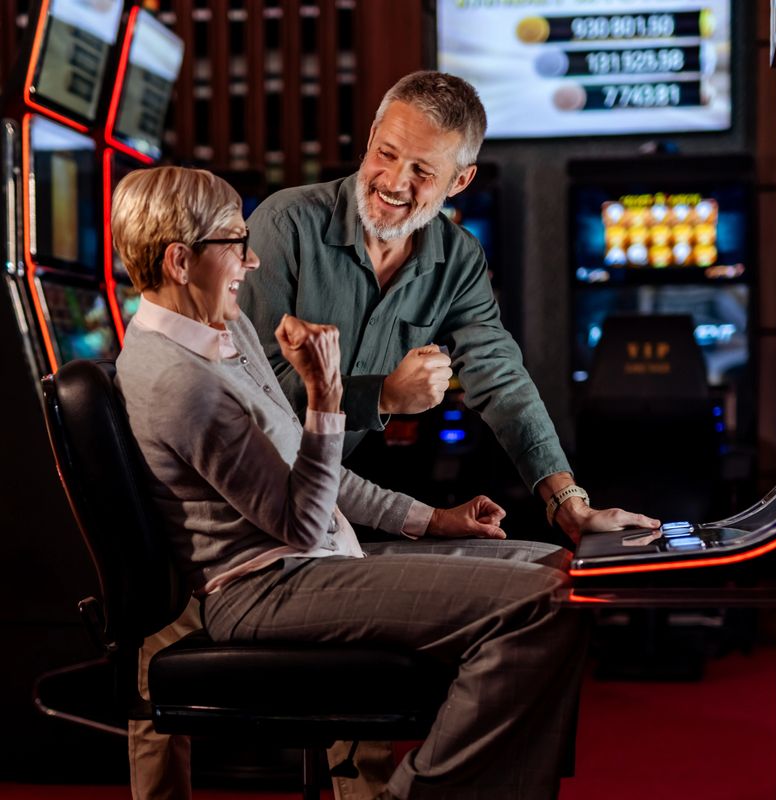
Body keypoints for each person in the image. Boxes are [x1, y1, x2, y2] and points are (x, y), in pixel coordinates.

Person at [236, 70, 660, 797]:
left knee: (564, 577)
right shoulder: (285, 224)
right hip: (252, 509)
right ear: (369, 140)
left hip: (334, 507)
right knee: (534, 604)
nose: (394, 181)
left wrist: (569, 504)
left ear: (460, 182)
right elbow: (249, 394)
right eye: (386, 154)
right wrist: (384, 397)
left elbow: (500, 378)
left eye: (422, 170)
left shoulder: (457, 260)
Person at [113, 165, 591, 800]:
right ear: (180, 260)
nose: (253, 262)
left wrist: (430, 519)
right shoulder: (179, 382)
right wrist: (326, 396)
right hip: (265, 588)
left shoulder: (229, 332)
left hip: (312, 560)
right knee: (544, 602)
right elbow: (301, 521)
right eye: (236, 242)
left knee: (562, 567)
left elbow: (318, 474)